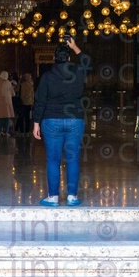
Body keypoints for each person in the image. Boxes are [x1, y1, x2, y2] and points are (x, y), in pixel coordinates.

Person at [33, 37, 91, 207]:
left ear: (53, 59)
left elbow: (40, 101)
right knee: (72, 159)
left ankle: (53, 197)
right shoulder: (78, 72)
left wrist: (36, 123)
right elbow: (88, 62)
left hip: (51, 121)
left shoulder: (47, 77)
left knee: (53, 160)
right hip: (74, 120)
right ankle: (72, 197)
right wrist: (75, 46)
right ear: (68, 58)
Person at [0, 71, 15, 135]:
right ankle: (6, 131)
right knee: (7, 118)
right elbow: (13, 93)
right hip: (8, 103)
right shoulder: (9, 83)